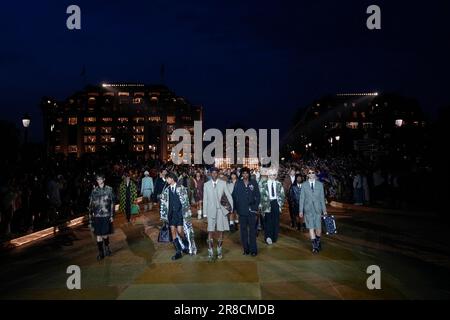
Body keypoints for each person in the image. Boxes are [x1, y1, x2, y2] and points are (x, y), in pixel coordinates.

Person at [160, 172, 197, 260]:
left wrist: (186, 213)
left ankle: (186, 245)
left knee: (180, 231)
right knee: (173, 231)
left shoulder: (181, 188)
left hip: (180, 214)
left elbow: (186, 202)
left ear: (172, 178)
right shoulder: (167, 190)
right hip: (171, 214)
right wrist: (163, 215)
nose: (167, 180)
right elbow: (164, 203)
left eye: (168, 178)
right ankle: (178, 251)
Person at [203, 167, 234, 260]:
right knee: (210, 230)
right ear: (210, 174)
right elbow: (205, 199)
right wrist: (205, 213)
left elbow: (229, 196)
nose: (214, 175)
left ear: (218, 174)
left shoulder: (223, 183)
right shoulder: (206, 185)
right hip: (210, 210)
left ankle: (219, 248)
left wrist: (230, 209)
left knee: (221, 230)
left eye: (215, 173)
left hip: (221, 210)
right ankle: (210, 250)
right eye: (212, 173)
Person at [232, 167, 261, 256]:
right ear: (241, 174)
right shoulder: (238, 183)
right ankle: (246, 249)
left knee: (252, 231)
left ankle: (253, 250)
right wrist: (235, 209)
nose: (245, 175)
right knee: (243, 231)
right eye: (243, 173)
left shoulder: (253, 182)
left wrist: (255, 207)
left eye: (246, 173)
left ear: (249, 174)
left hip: (252, 211)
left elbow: (258, 196)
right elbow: (234, 196)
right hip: (242, 211)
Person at [299, 168, 327, 254]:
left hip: (318, 209)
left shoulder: (320, 185)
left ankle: (318, 241)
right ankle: (315, 246)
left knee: (318, 228)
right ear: (307, 175)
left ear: (315, 174)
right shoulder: (304, 185)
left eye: (313, 173)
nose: (311, 174)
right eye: (309, 173)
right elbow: (302, 198)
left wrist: (324, 210)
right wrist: (301, 210)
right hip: (308, 209)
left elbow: (322, 198)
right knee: (311, 227)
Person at [89, 173, 115, 260]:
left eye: (100, 179)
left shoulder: (109, 189)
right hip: (97, 216)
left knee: (104, 235)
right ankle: (101, 253)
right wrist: (90, 217)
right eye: (97, 179)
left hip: (106, 215)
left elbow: (112, 203)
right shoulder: (94, 191)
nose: (98, 181)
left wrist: (112, 215)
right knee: (98, 235)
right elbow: (91, 204)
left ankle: (107, 248)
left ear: (103, 179)